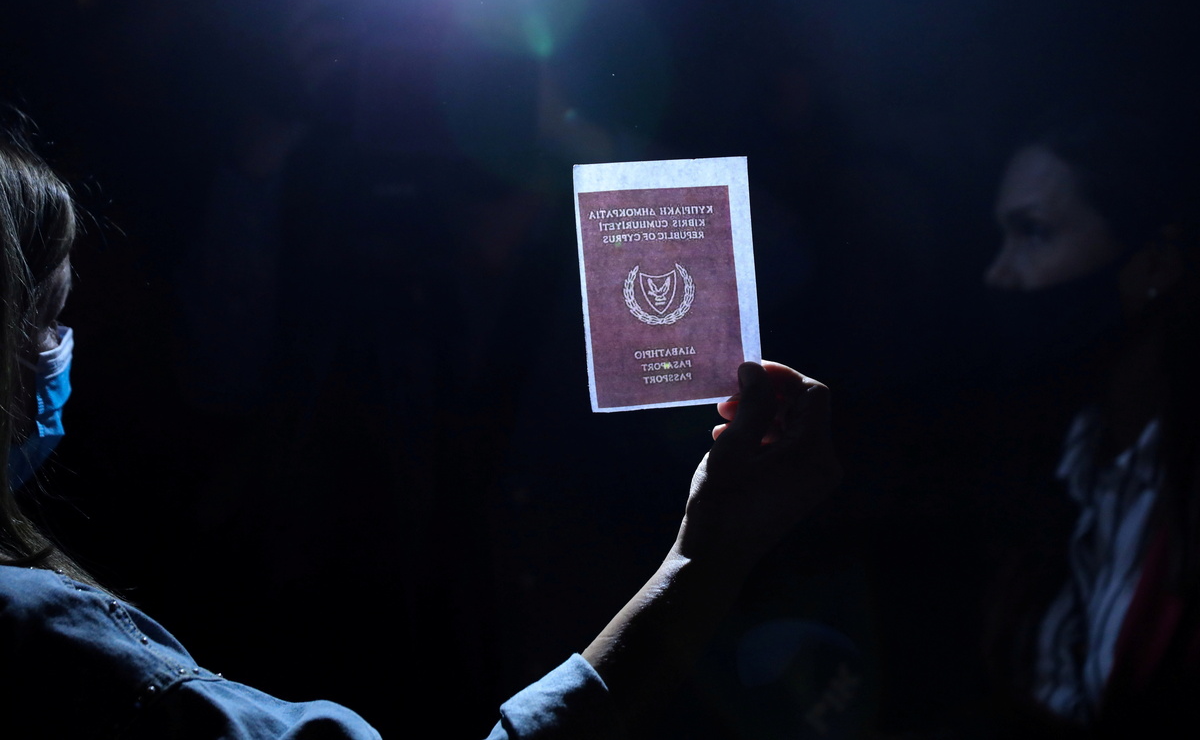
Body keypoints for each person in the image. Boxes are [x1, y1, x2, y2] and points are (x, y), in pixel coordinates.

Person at [0, 121, 840, 737]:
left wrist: (600, 136)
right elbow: (220, 375)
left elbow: (791, 264)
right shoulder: (45, 636)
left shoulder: (593, 254)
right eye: (49, 317)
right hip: (422, 655)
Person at [979, 115, 1200, 735]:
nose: (998, 273)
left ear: (1155, 263)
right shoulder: (1054, 460)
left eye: (1034, 232)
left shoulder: (1180, 487)